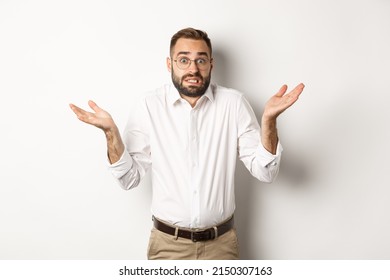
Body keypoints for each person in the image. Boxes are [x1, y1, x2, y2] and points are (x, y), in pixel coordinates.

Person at [69, 27, 304, 260]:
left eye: (201, 60)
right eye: (184, 60)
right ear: (170, 64)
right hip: (167, 246)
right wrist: (111, 134)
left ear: (211, 64)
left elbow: (265, 172)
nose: (193, 68)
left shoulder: (234, 104)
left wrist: (269, 121)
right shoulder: (149, 106)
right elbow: (129, 178)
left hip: (221, 247)